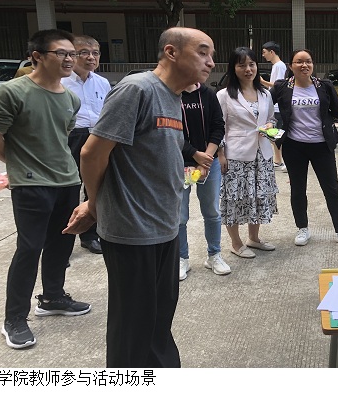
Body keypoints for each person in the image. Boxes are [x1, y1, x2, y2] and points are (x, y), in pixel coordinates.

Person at [64, 27, 216, 368]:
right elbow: (92, 153)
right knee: (133, 327)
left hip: (165, 226)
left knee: (158, 321)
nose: (210, 62)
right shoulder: (137, 89)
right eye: (203, 52)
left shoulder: (173, 97)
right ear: (171, 52)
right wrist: (94, 204)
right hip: (132, 231)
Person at [0, 29, 91, 350]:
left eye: (72, 54)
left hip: (67, 180)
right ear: (37, 56)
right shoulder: (13, 92)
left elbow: (62, 138)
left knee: (62, 243)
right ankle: (14, 318)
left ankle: (52, 297)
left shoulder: (71, 98)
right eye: (61, 53)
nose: (70, 59)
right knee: (29, 248)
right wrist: (19, 163)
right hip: (31, 184)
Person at [271, 49, 338, 249]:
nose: (304, 65)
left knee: (332, 189)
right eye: (299, 62)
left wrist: (325, 124)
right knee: (298, 189)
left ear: (313, 65)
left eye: (308, 61)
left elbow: (337, 112)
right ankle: (302, 228)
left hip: (322, 146)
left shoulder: (324, 86)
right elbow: (266, 106)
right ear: (291, 66)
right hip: (294, 146)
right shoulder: (282, 87)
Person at [217, 47, 278, 259]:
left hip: (262, 154)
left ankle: (254, 238)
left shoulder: (265, 94)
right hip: (236, 155)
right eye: (241, 65)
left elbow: (271, 118)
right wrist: (221, 154)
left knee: (259, 196)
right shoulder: (224, 95)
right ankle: (236, 243)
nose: (248, 69)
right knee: (234, 198)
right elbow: (218, 127)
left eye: (251, 64)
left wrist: (270, 125)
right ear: (233, 68)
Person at [62, 35, 112, 254]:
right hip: (72, 137)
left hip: (98, 137)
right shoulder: (61, 82)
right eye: (84, 52)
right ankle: (62, 242)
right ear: (72, 55)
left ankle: (90, 235)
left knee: (95, 187)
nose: (91, 57)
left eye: (95, 53)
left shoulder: (102, 82)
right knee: (69, 189)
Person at [178, 80, 227, 281]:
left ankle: (214, 255)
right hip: (180, 163)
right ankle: (181, 258)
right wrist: (194, 155)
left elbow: (218, 127)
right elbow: (170, 132)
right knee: (179, 216)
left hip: (209, 162)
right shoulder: (171, 93)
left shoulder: (208, 94)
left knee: (212, 212)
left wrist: (206, 159)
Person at [260, 41, 288, 173]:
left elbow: (278, 85)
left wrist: (262, 81)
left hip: (277, 106)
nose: (263, 55)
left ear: (272, 52)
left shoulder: (279, 66)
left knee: (277, 135)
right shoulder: (276, 66)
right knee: (274, 135)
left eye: (264, 52)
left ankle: (284, 161)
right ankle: (278, 160)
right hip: (274, 105)